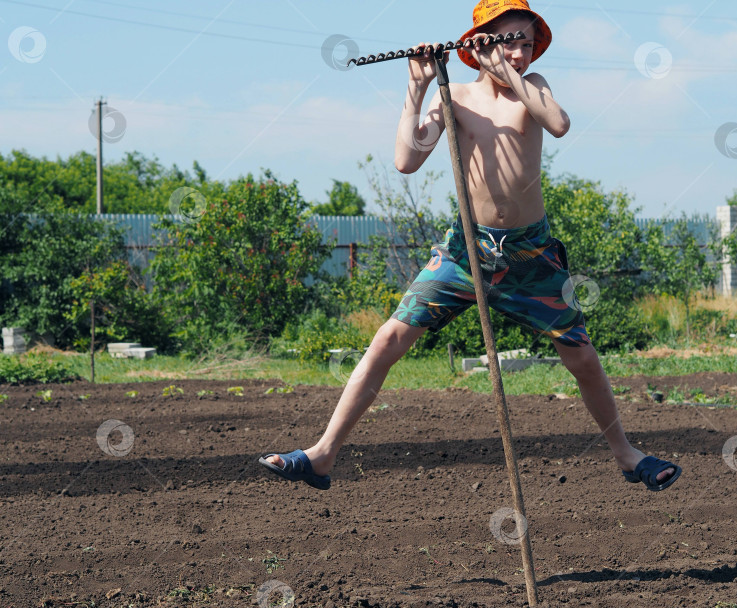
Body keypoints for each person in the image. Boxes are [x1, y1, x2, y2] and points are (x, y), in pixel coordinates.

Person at [259, 0, 681, 493]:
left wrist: (509, 70)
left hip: (530, 253)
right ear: (479, 42)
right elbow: (405, 161)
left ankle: (627, 456)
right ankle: (322, 455)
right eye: (510, 41)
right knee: (389, 339)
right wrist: (416, 89)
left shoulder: (534, 89)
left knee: (581, 355)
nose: (521, 53)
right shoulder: (451, 94)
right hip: (466, 250)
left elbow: (560, 123)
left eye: (528, 42)